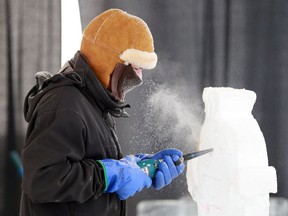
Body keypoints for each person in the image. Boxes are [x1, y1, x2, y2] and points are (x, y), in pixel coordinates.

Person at [20, 8, 184, 216]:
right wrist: (112, 174)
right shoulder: (65, 104)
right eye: (136, 66)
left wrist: (136, 167)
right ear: (112, 61)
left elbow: (89, 167)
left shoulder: (93, 102)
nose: (139, 76)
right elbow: (42, 179)